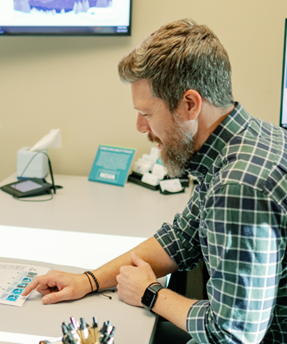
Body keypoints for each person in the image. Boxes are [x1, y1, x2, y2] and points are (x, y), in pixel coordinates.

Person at [22, 19, 287, 344]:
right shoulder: (250, 138)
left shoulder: (238, 185)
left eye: (146, 113)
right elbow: (181, 238)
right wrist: (87, 281)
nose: (139, 126)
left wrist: (150, 294)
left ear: (190, 104)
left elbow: (231, 334)